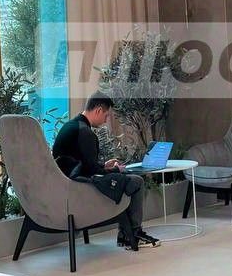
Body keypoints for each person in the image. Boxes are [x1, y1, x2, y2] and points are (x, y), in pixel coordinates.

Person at [52, 93, 158, 250]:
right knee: (136, 181)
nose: (106, 120)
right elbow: (91, 171)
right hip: (80, 188)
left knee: (124, 177)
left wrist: (104, 167)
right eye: (106, 115)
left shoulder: (71, 126)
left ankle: (126, 235)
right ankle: (133, 234)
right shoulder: (85, 132)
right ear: (98, 110)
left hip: (69, 185)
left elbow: (84, 165)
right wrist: (115, 169)